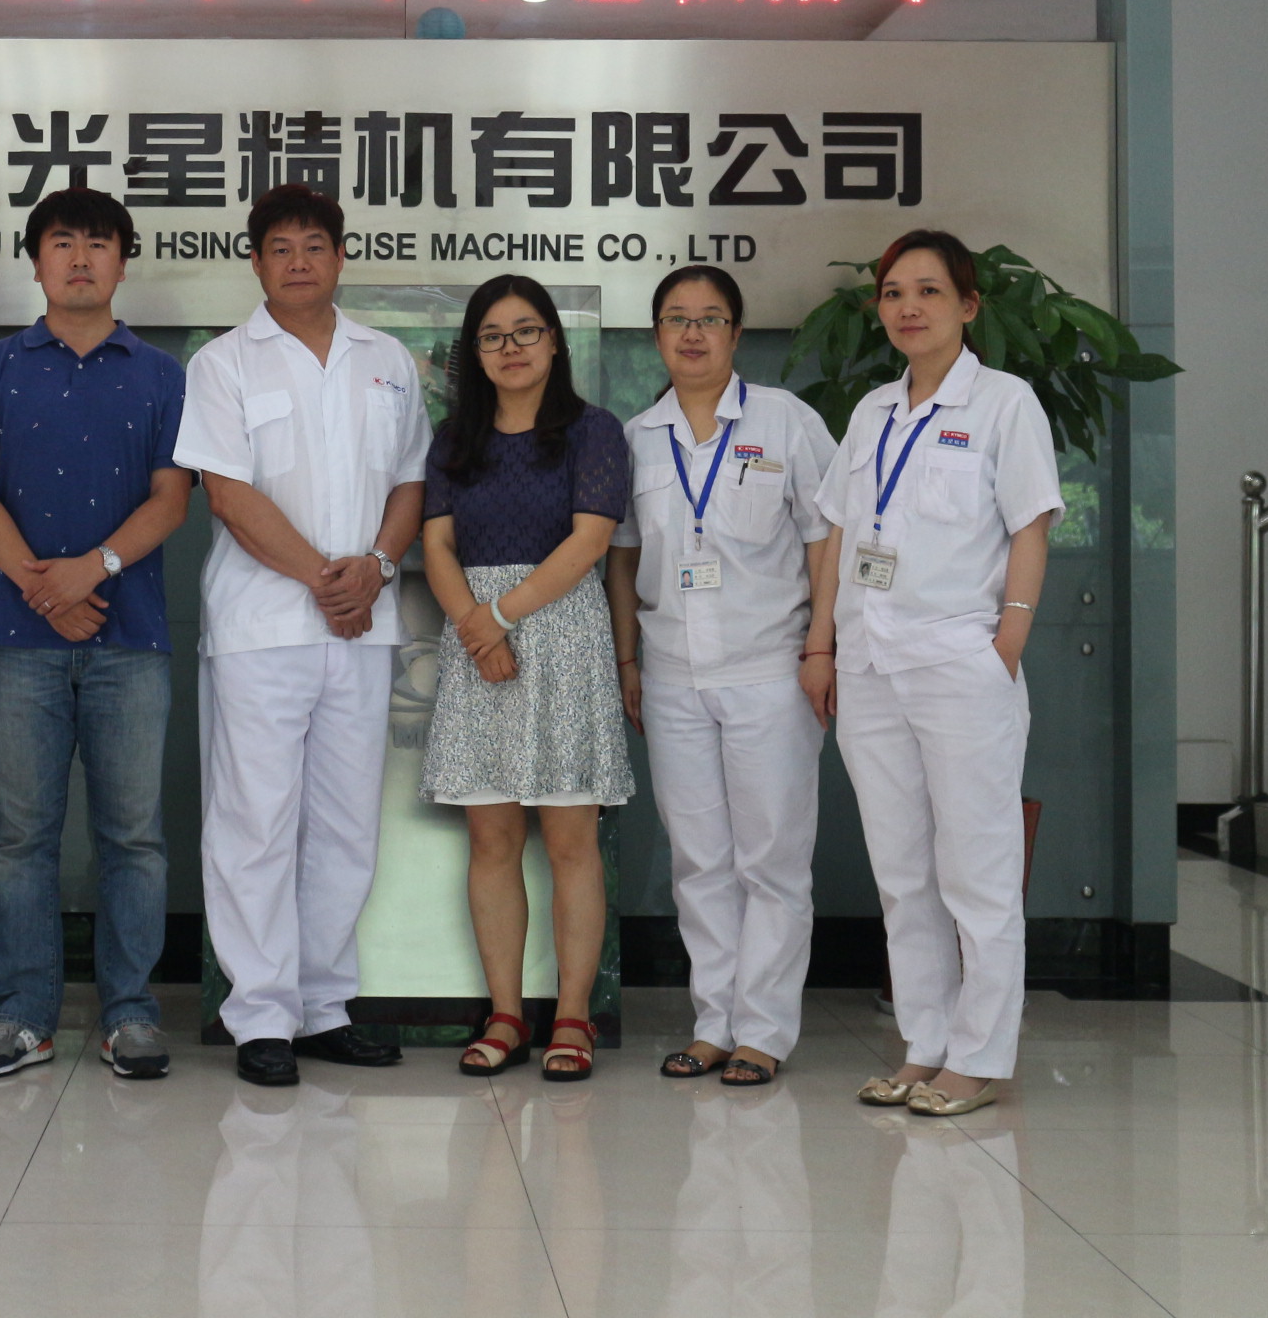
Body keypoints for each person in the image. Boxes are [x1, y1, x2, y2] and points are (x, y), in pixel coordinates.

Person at [173, 183, 431, 1088]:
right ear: (254, 261)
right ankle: (260, 1015)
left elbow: (410, 481)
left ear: (340, 256)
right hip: (262, 627)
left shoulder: (386, 359)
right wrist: (329, 580)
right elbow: (227, 493)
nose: (297, 262)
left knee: (346, 822)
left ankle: (324, 1007)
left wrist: (379, 567)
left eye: (314, 245)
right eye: (279, 248)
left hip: (362, 625)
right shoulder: (222, 363)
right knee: (255, 821)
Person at [809, 228, 1061, 1118]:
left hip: (959, 661)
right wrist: (821, 644)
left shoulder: (1004, 403)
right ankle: (925, 1044)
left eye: (928, 291)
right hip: (871, 664)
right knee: (903, 870)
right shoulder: (873, 413)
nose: (908, 308)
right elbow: (839, 533)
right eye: (893, 294)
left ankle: (979, 1056)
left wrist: (1006, 643)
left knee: (978, 870)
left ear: (968, 305)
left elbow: (1031, 526)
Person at [0, 187, 191, 1081]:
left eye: (97, 243)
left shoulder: (163, 374)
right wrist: (43, 589)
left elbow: (171, 499)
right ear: (36, 261)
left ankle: (130, 1014)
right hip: (23, 642)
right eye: (62, 243)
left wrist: (92, 570)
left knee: (134, 836)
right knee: (21, 837)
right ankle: (22, 1013)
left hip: (131, 640)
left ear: (124, 261)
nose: (80, 258)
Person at [605, 265, 836, 1089]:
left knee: (772, 860)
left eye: (710, 318)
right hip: (672, 676)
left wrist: (821, 648)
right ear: (657, 337)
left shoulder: (785, 421)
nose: (693, 333)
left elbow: (827, 539)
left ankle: (763, 1031)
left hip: (771, 670)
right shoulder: (636, 437)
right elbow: (622, 557)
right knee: (699, 860)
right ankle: (713, 1024)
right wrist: (627, 661)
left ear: (736, 333)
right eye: (677, 319)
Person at [420, 275, 632, 1083]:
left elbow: (590, 542)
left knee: (572, 840)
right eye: (492, 336)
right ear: (473, 352)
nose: (510, 348)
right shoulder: (453, 440)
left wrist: (499, 617)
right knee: (493, 838)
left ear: (554, 341)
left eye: (526, 331)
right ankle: (505, 1014)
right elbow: (436, 546)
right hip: (478, 639)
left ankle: (571, 1015)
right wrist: (476, 629)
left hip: (562, 631)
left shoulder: (593, 431)